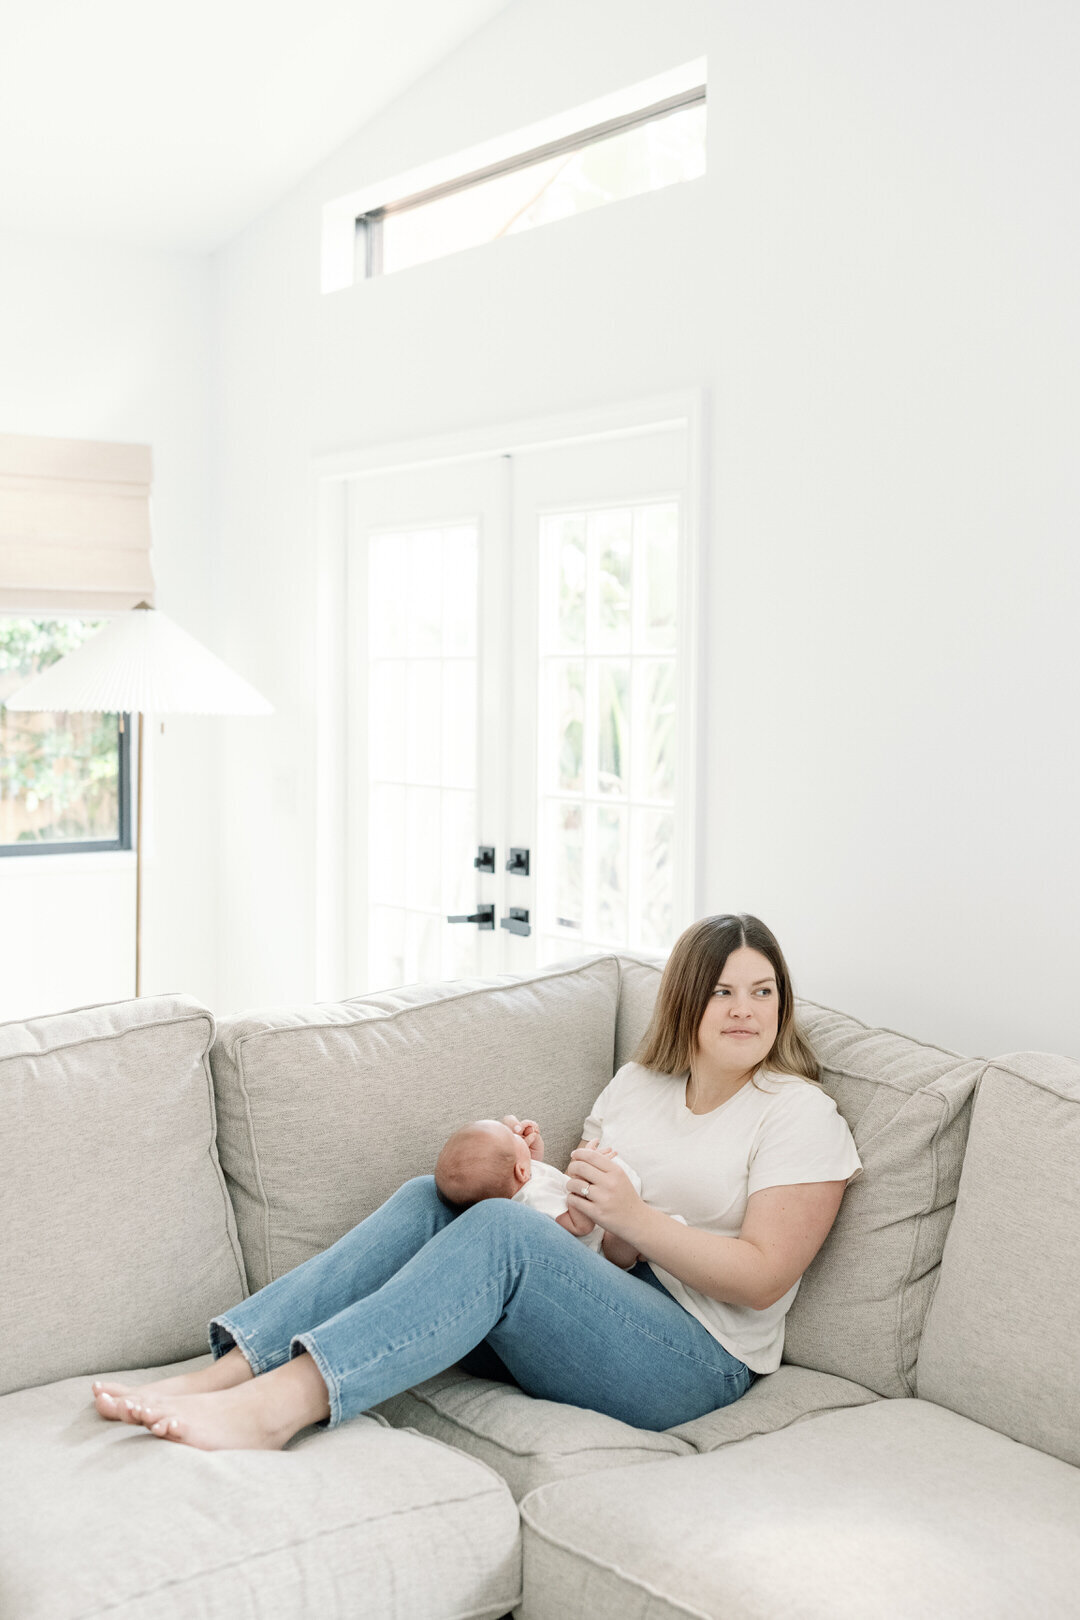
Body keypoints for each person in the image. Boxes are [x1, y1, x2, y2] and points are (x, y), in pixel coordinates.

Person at [91, 913, 862, 1451]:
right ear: (688, 1000)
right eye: (724, 990)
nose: (745, 1010)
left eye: (763, 991)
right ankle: (226, 1372)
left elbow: (763, 1278)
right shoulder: (636, 1086)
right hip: (606, 1306)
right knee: (432, 1197)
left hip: (699, 1359)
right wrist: (546, 1190)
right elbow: (594, 1245)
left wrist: (637, 1219)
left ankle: (276, 1409)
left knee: (498, 1235)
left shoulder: (798, 1114)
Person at [434, 1116, 646, 1250]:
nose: (514, 1129)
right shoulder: (535, 1198)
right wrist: (584, 1178)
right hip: (599, 1249)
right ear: (522, 1171)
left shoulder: (520, 1182)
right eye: (511, 1136)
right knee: (624, 1232)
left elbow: (537, 1176)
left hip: (596, 1228)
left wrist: (531, 1155)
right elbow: (580, 1226)